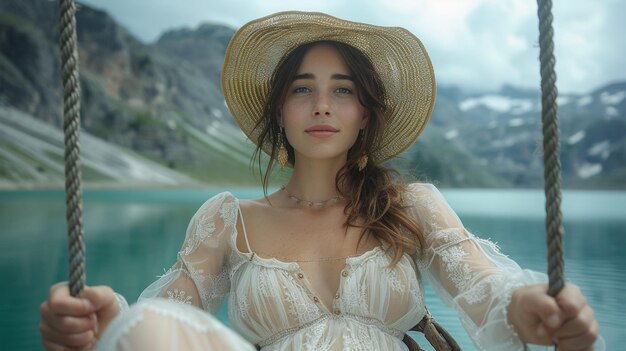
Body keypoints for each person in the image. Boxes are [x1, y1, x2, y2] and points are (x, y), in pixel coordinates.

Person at [39, 11, 601, 351]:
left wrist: (530, 304)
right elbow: (169, 322)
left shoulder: (411, 205)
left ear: (365, 115)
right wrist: (109, 321)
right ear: (280, 110)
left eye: (344, 90)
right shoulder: (228, 221)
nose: (323, 105)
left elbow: (484, 289)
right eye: (303, 88)